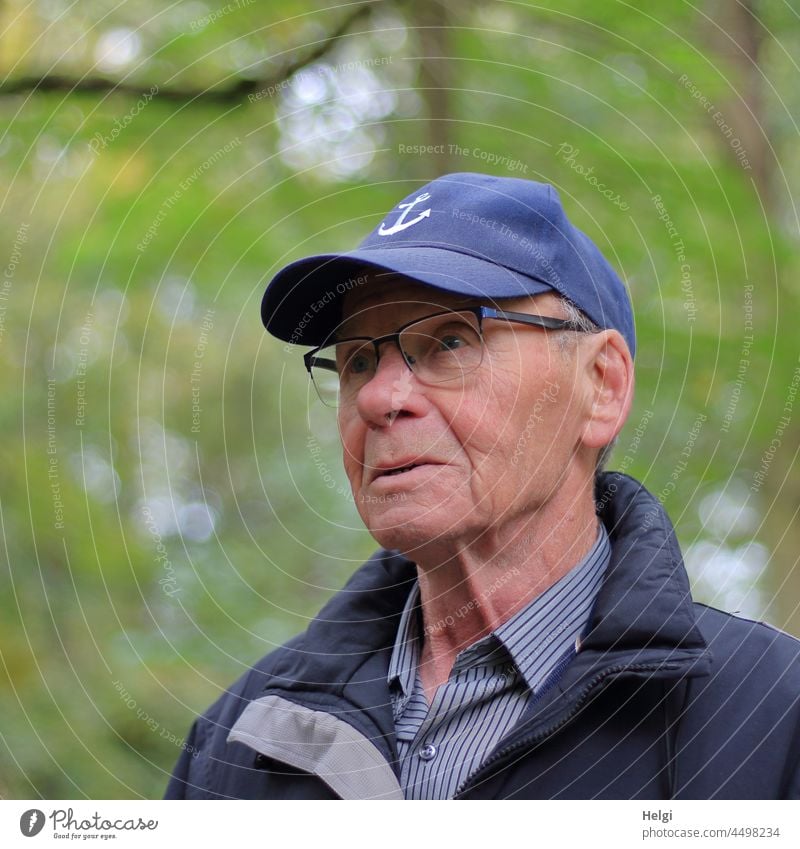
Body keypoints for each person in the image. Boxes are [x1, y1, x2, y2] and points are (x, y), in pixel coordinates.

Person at [165, 172, 800, 799]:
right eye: (358, 360)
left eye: (448, 340)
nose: (380, 397)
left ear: (601, 385)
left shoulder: (772, 720)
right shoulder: (236, 747)